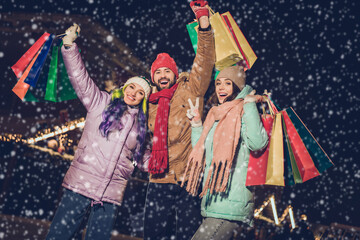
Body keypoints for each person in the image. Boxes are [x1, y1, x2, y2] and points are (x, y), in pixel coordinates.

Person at [46, 24, 151, 240]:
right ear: (124, 87)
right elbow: (80, 79)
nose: (134, 93)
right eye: (132, 87)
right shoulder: (100, 102)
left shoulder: (141, 126)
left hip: (110, 195)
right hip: (80, 184)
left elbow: (146, 160)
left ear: (143, 99)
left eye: (140, 92)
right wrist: (69, 46)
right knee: (59, 236)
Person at [143, 0, 215, 239]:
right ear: (153, 78)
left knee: (187, 234)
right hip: (158, 179)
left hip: (187, 178)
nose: (162, 75)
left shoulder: (190, 89)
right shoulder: (149, 101)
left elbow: (204, 60)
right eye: (158, 72)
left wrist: (203, 21)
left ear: (174, 73)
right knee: (154, 234)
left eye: (166, 71)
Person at [183, 65, 269, 240]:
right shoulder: (216, 115)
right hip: (212, 200)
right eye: (218, 83)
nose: (221, 87)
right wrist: (197, 125)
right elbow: (204, 153)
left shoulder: (243, 113)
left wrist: (250, 105)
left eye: (227, 83)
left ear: (237, 87)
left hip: (231, 204)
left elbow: (258, 143)